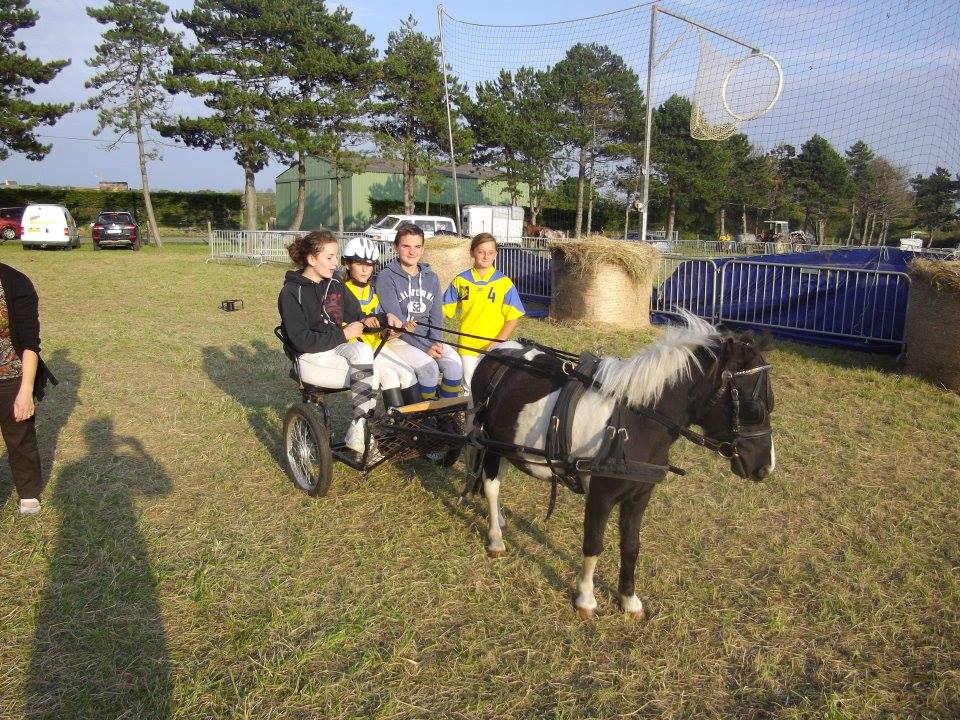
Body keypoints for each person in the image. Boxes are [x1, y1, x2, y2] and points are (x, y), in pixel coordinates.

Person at [277, 230, 402, 454]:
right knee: (370, 373)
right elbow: (301, 341)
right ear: (311, 259)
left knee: (364, 353)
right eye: (330, 257)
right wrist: (343, 335)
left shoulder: (334, 283)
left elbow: (358, 315)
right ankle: (363, 436)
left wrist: (385, 320)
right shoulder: (291, 292)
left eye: (336, 256)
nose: (336, 263)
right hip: (311, 358)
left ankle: (359, 428)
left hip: (336, 351)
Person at [375, 224, 463, 401]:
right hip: (399, 339)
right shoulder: (386, 277)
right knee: (429, 369)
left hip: (427, 339)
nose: (412, 251)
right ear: (396, 247)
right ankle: (423, 418)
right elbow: (398, 324)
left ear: (423, 249)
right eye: (406, 246)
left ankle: (444, 415)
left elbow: (436, 315)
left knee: (455, 366)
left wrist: (436, 341)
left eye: (417, 246)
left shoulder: (431, 277)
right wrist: (425, 347)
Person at [0, 262, 56, 515]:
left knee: (20, 436)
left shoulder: (16, 282)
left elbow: (30, 343)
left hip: (10, 374)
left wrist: (25, 391)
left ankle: (28, 492)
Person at [340, 236, 419, 407]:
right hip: (358, 351)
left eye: (369, 265)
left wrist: (392, 331)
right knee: (390, 378)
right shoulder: (341, 291)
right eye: (359, 264)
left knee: (408, 374)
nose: (364, 270)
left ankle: (415, 425)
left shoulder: (373, 291)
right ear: (346, 264)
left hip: (378, 346)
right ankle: (380, 426)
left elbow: (382, 328)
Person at [442, 233, 525, 391]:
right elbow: (444, 311)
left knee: (493, 389)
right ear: (472, 252)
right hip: (468, 345)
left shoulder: (504, 283)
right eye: (481, 252)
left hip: (495, 347)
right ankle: (467, 416)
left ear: (496, 254)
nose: (486, 256)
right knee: (470, 387)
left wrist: (499, 341)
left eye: (490, 252)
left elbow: (512, 318)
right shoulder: (460, 281)